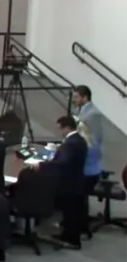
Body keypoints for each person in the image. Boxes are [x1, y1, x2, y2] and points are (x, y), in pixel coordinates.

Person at [38, 115, 88, 248]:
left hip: (69, 184)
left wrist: (41, 165)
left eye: (60, 128)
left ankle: (73, 241)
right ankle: (67, 235)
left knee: (70, 213)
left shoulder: (71, 143)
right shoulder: (79, 140)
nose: (59, 131)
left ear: (67, 128)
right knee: (70, 213)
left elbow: (62, 163)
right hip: (76, 182)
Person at [73, 85, 103, 228]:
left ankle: (80, 224)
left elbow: (93, 140)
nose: (74, 99)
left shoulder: (93, 115)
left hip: (89, 162)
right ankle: (78, 220)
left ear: (85, 97)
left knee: (78, 192)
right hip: (84, 157)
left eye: (76, 97)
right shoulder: (81, 111)